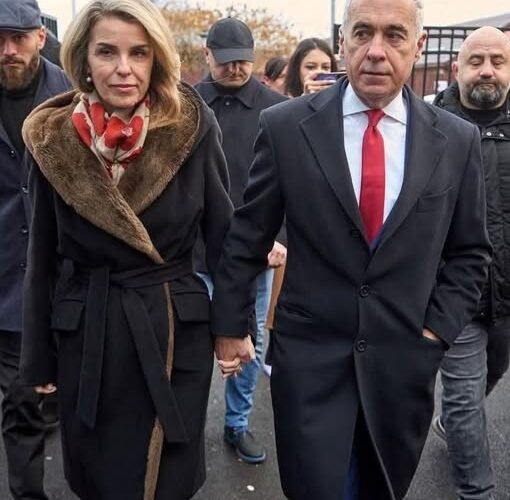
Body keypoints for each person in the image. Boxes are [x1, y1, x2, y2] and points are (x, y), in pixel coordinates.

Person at [209, 0, 492, 497]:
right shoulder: (285, 127)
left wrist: (434, 333)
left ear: (419, 46)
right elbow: (248, 235)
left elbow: (470, 253)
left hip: (403, 365)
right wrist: (231, 327)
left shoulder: (456, 139)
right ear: (343, 43)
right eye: (362, 33)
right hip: (310, 365)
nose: (376, 51)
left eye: (394, 35)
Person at [19, 0, 234, 498]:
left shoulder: (190, 126)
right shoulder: (51, 140)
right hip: (90, 333)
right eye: (107, 52)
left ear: (156, 58)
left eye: (139, 53)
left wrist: (232, 327)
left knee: (167, 479)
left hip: (172, 327)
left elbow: (224, 235)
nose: (124, 68)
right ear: (83, 60)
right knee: (103, 478)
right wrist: (38, 357)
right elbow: (41, 256)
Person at [0, 0, 69, 497]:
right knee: (19, 402)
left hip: (71, 276)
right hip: (8, 280)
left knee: (83, 399)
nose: (8, 49)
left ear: (40, 36)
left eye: (18, 37)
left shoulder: (76, 97)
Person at [194, 17, 287, 464]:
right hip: (193, 249)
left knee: (250, 344)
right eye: (226, 61)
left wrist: (280, 235)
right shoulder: (185, 104)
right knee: (191, 342)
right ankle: (184, 423)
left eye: (243, 61)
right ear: (207, 56)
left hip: (254, 250)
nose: (235, 69)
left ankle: (237, 423)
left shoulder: (277, 110)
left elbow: (292, 181)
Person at [432, 26, 510, 500]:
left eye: (497, 61)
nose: (486, 70)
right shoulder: (430, 128)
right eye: (476, 61)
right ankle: (476, 492)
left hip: (508, 292)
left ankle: (455, 422)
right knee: (463, 398)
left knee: (492, 373)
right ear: (456, 68)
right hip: (455, 292)